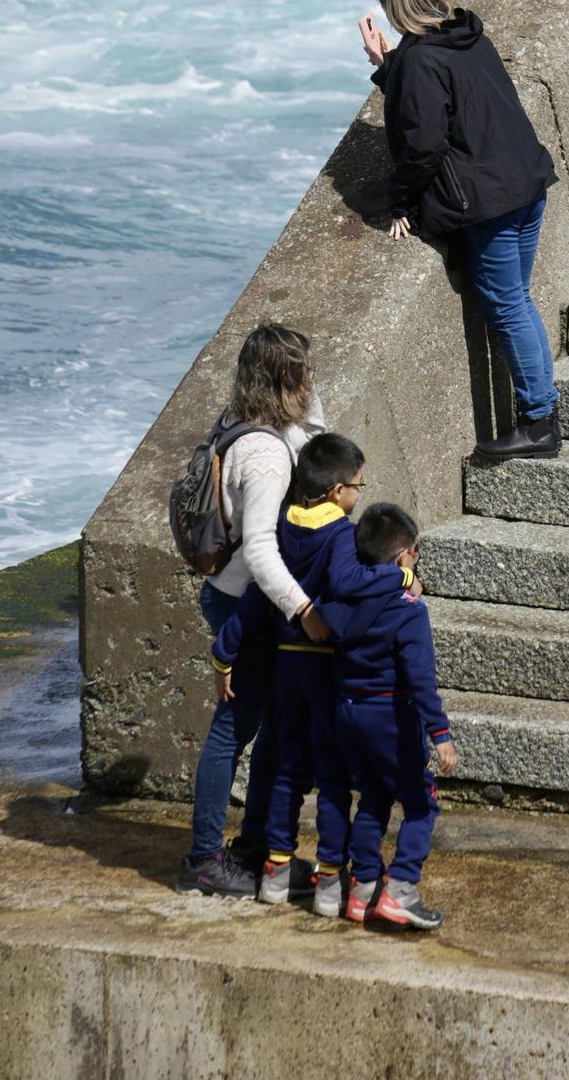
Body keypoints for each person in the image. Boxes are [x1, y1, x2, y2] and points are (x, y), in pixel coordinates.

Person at [360, 0, 560, 460]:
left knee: (508, 303)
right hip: (525, 185)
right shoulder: (469, 37)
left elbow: (422, 140)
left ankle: (540, 421)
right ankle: (543, 410)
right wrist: (390, 69)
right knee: (518, 298)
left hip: (489, 203)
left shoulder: (422, 59)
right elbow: (453, 101)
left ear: (392, 8)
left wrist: (399, 203)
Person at [209, 432, 413, 914]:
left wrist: (224, 654)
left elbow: (260, 595)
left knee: (286, 769)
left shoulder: (285, 526)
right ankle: (327, 882)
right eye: (358, 487)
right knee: (332, 776)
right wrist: (398, 576)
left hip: (286, 664)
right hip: (324, 671)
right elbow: (346, 581)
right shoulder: (340, 531)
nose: (359, 496)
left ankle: (276, 871)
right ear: (337, 491)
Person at [177, 323, 336, 897]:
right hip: (248, 605)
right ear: (285, 380)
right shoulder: (266, 456)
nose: (314, 381)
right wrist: (305, 610)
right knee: (233, 730)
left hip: (234, 595)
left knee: (266, 725)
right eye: (305, 373)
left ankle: (253, 846)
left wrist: (303, 385)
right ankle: (202, 859)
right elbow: (264, 550)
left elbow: (315, 436)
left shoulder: (239, 423)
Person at [322, 500, 456, 930]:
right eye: (416, 553)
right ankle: (400, 887)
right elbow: (420, 679)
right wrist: (440, 734)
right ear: (403, 557)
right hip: (390, 716)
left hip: (348, 712)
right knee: (421, 803)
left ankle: (361, 891)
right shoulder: (408, 611)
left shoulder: (339, 601)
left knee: (375, 798)